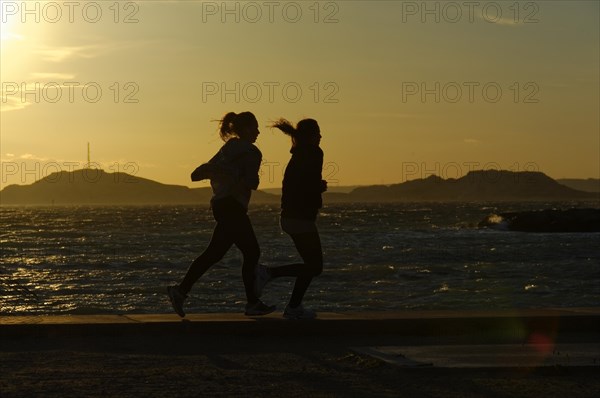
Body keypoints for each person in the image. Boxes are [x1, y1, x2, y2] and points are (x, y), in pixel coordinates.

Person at [167, 111, 275, 317]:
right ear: (244, 129)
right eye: (255, 128)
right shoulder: (252, 152)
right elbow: (252, 182)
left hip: (220, 205)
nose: (258, 132)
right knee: (252, 252)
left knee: (214, 253)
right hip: (233, 207)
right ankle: (252, 303)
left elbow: (199, 173)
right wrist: (239, 177)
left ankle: (180, 291)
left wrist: (224, 174)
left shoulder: (227, 149)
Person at [254, 118, 326, 319]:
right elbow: (308, 185)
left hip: (291, 216)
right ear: (310, 135)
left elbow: (299, 183)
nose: (321, 136)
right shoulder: (314, 153)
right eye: (318, 132)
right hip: (300, 217)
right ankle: (268, 274)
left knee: (311, 265)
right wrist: (320, 187)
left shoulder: (297, 155)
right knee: (314, 266)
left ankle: (294, 306)